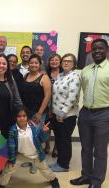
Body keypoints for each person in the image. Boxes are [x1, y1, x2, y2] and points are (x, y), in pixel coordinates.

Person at [70, 39, 109, 188]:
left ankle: (96, 181)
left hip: (104, 114)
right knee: (86, 148)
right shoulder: (86, 70)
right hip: (86, 113)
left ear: (106, 50)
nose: (97, 51)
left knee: (100, 151)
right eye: (94, 49)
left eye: (100, 48)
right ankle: (86, 176)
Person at [0, 106, 60, 188]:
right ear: (15, 118)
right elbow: (11, 146)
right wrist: (11, 159)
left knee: (45, 170)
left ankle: (54, 179)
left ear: (27, 117)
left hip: (36, 155)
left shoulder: (33, 128)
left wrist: (44, 132)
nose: (22, 118)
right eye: (19, 116)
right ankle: (1, 184)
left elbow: (42, 139)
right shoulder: (13, 130)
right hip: (20, 155)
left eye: (24, 116)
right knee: (7, 170)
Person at [49, 53, 81, 172]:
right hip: (56, 114)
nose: (66, 63)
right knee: (59, 139)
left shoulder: (75, 76)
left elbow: (72, 98)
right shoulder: (61, 75)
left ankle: (64, 165)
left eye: (69, 61)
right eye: (64, 61)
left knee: (64, 140)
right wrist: (54, 112)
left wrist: (62, 113)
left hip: (66, 116)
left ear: (74, 64)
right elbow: (55, 95)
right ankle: (60, 162)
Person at [44, 53, 63, 157]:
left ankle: (56, 147)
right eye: (52, 60)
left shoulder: (64, 74)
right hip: (47, 105)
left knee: (57, 128)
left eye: (56, 60)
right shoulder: (46, 74)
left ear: (60, 62)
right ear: (49, 62)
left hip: (59, 106)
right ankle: (47, 145)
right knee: (47, 127)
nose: (54, 62)